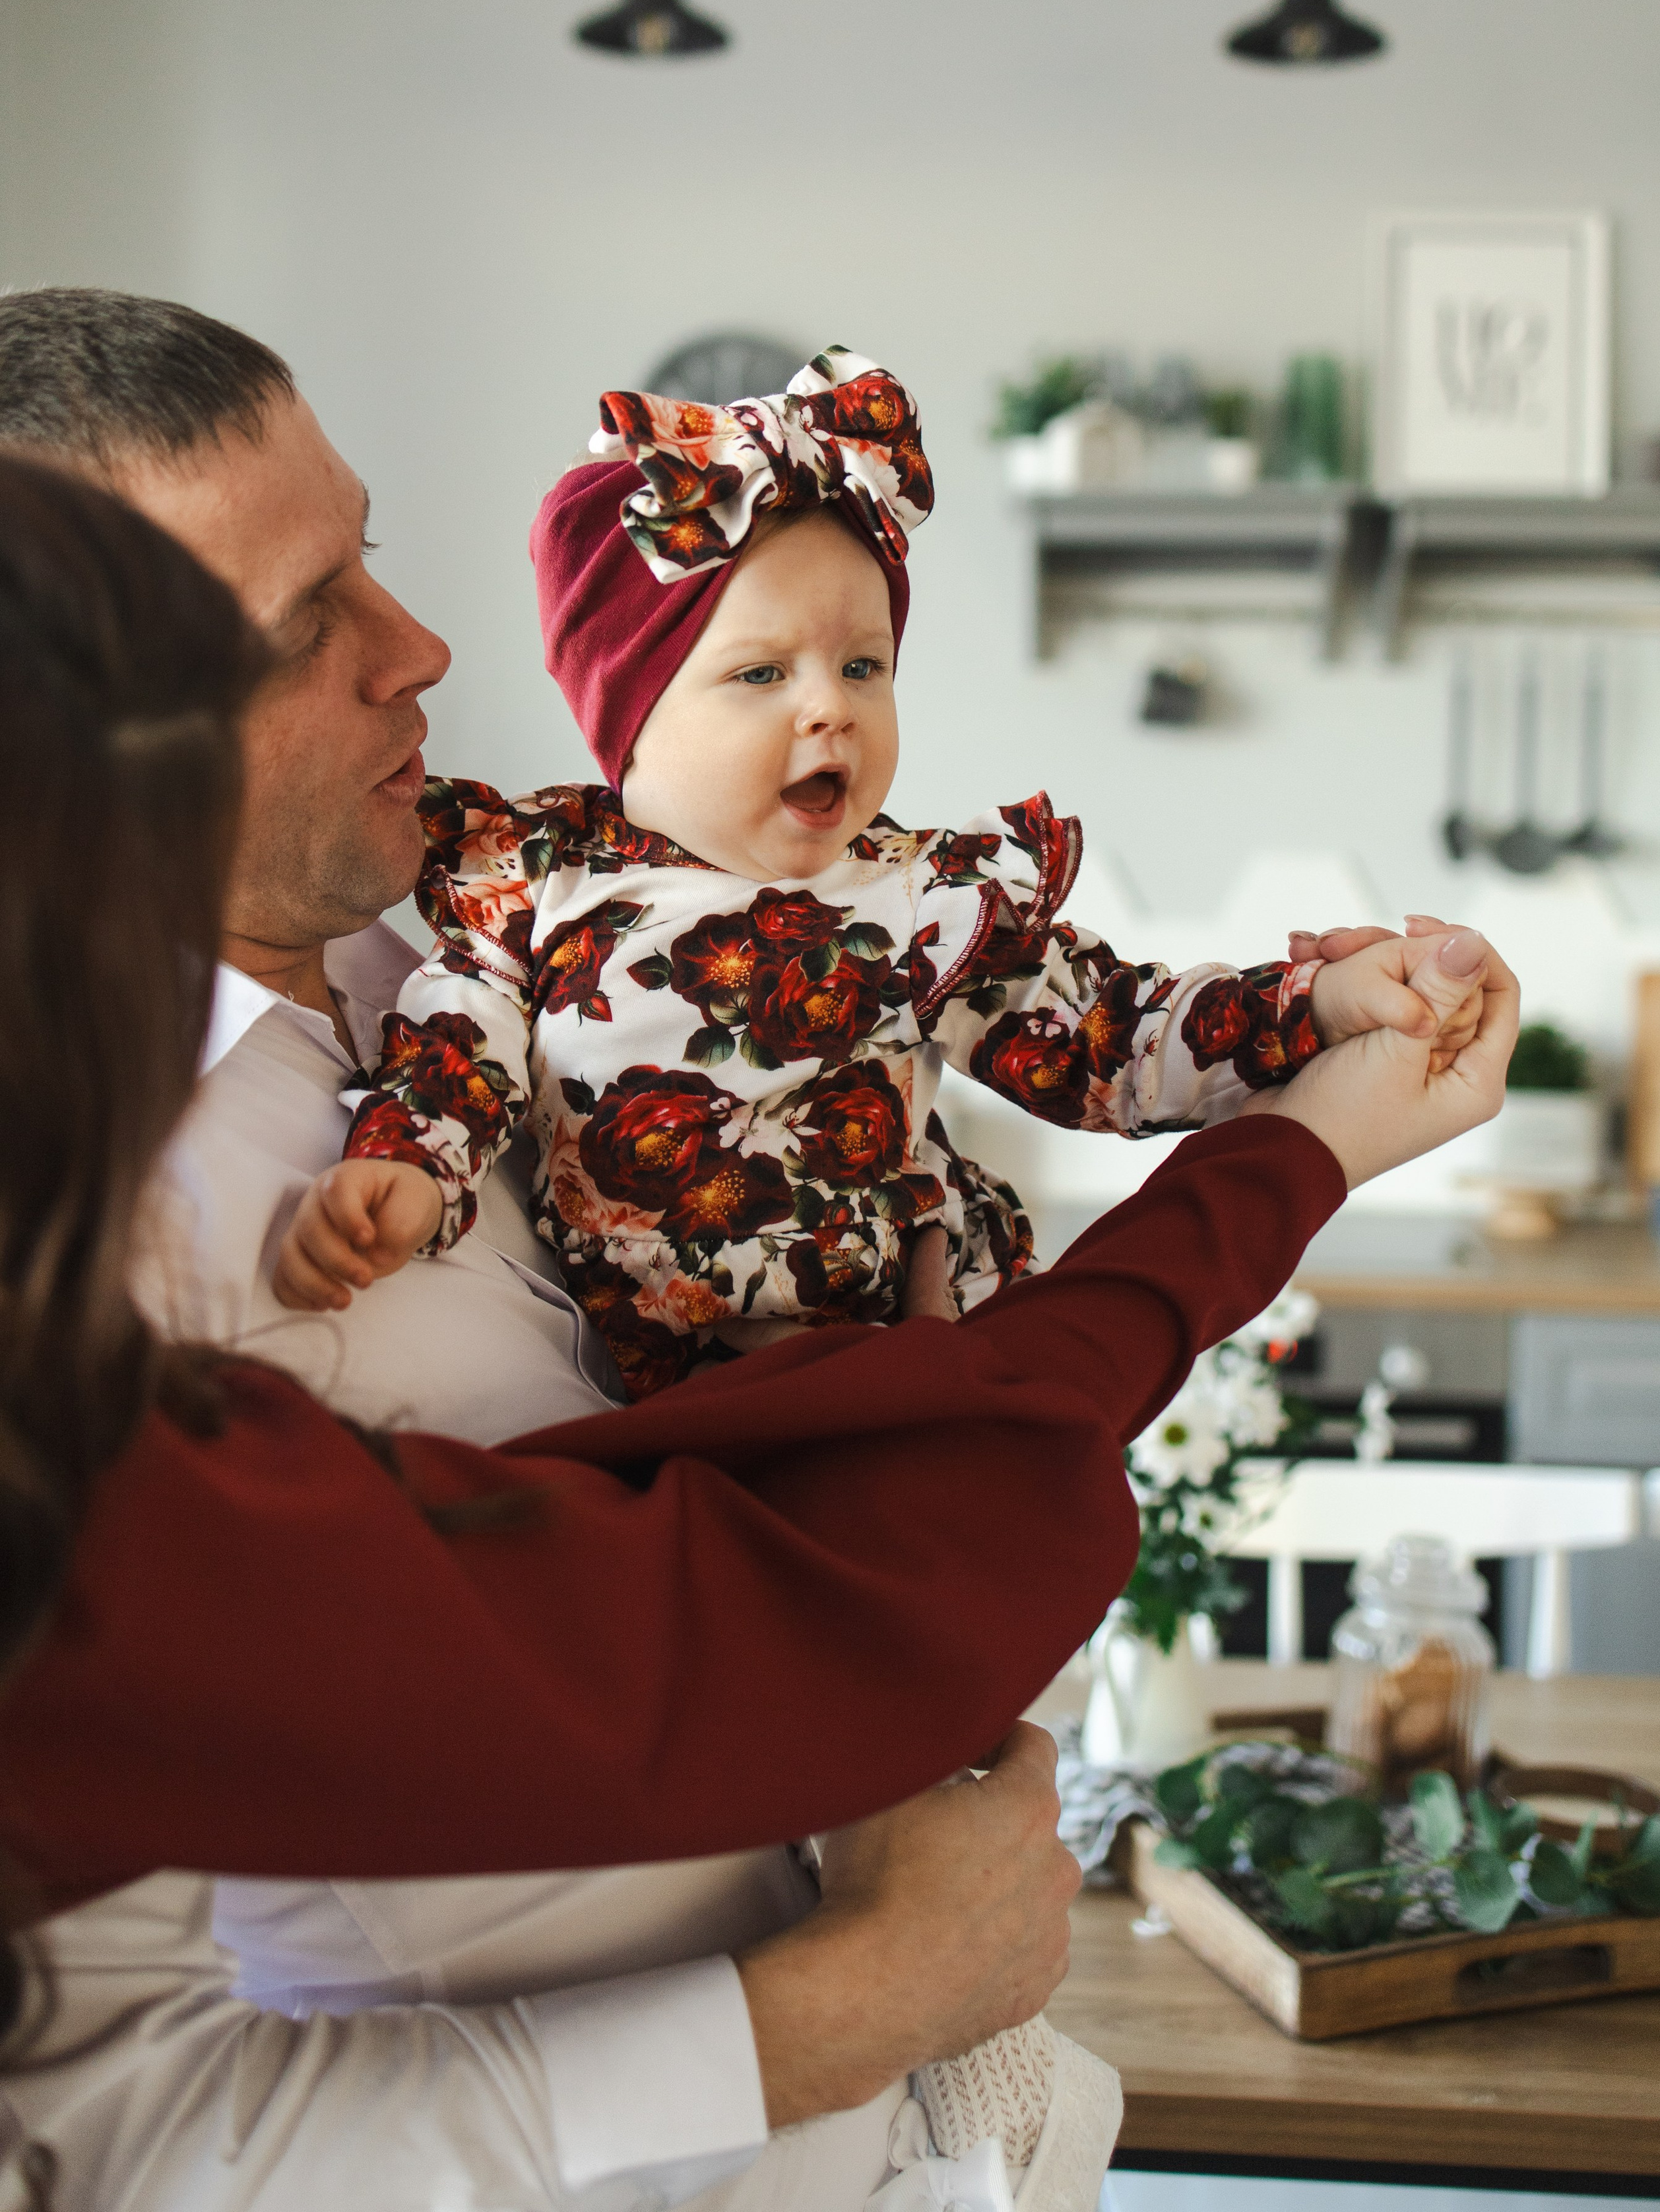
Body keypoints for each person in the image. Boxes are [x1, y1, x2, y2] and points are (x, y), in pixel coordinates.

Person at [0, 294, 1517, 2212]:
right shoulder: (80, 1271)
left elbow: (1060, 1064)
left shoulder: (530, 958)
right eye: (307, 626)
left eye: (371, 554)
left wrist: (1300, 1036)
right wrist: (848, 2001)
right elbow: (113, 2143)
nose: (427, 650)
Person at [274, 350, 1480, 1393]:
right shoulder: (538, 879)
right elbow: (455, 1050)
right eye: (761, 676)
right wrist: (406, 1175)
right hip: (657, 1400)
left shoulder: (920, 904)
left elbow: (1115, 1037)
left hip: (902, 1363)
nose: (830, 712)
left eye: (863, 666)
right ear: (626, 721)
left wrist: (1318, 1004)